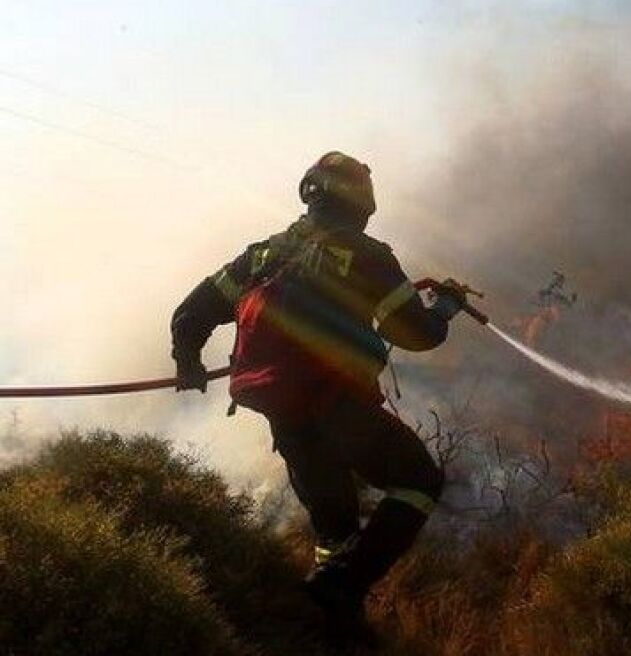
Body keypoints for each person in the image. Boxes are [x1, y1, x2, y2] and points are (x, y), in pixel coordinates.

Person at [170, 151, 464, 633]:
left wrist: (188, 363)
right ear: (364, 205)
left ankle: (332, 624)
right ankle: (342, 589)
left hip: (281, 408)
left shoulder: (264, 254)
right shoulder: (369, 257)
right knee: (418, 481)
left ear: (310, 193)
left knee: (335, 524)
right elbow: (417, 334)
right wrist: (445, 308)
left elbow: (190, 313)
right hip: (336, 402)